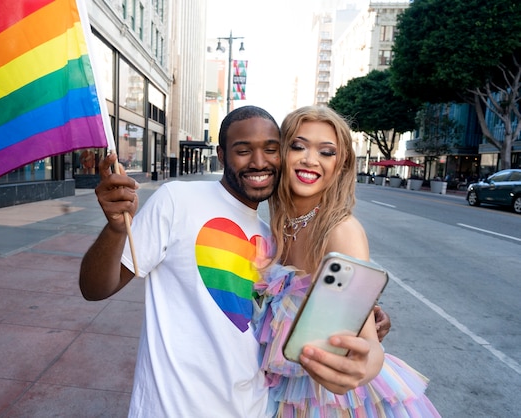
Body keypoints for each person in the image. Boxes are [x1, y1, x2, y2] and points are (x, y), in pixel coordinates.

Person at [79, 105, 391, 417]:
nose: (259, 161)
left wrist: (359, 322)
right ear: (222, 154)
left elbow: (288, 320)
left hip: (256, 407)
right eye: (243, 150)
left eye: (271, 149)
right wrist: (116, 230)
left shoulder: (274, 240)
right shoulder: (176, 200)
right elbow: (94, 288)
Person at [253, 105, 440, 416]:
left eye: (326, 152)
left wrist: (357, 370)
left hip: (326, 399)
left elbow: (368, 343)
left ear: (340, 165)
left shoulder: (341, 232)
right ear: (280, 155)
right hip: (280, 384)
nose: (310, 159)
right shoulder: (279, 224)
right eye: (298, 146)